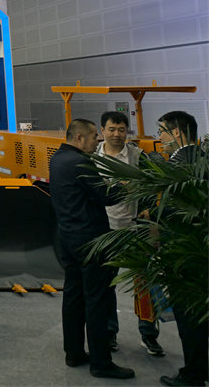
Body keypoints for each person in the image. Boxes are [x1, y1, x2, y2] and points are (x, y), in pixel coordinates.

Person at [50, 118, 134, 380]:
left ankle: (73, 351)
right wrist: (127, 185)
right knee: (97, 300)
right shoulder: (80, 162)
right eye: (94, 135)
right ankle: (101, 362)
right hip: (90, 240)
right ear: (79, 138)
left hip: (67, 238)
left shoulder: (57, 159)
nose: (97, 140)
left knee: (73, 296)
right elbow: (107, 196)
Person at [95, 111, 164, 357]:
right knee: (106, 284)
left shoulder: (138, 156)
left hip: (136, 230)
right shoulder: (92, 159)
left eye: (121, 130)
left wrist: (148, 209)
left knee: (144, 283)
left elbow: (153, 186)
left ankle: (148, 334)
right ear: (102, 131)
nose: (117, 134)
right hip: (104, 231)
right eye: (112, 129)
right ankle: (109, 332)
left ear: (127, 131)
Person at [157, 111, 207, 387]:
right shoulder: (202, 157)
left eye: (162, 132)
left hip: (182, 253)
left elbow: (176, 212)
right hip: (200, 249)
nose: (160, 138)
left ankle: (193, 374)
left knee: (188, 317)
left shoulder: (178, 165)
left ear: (176, 132)